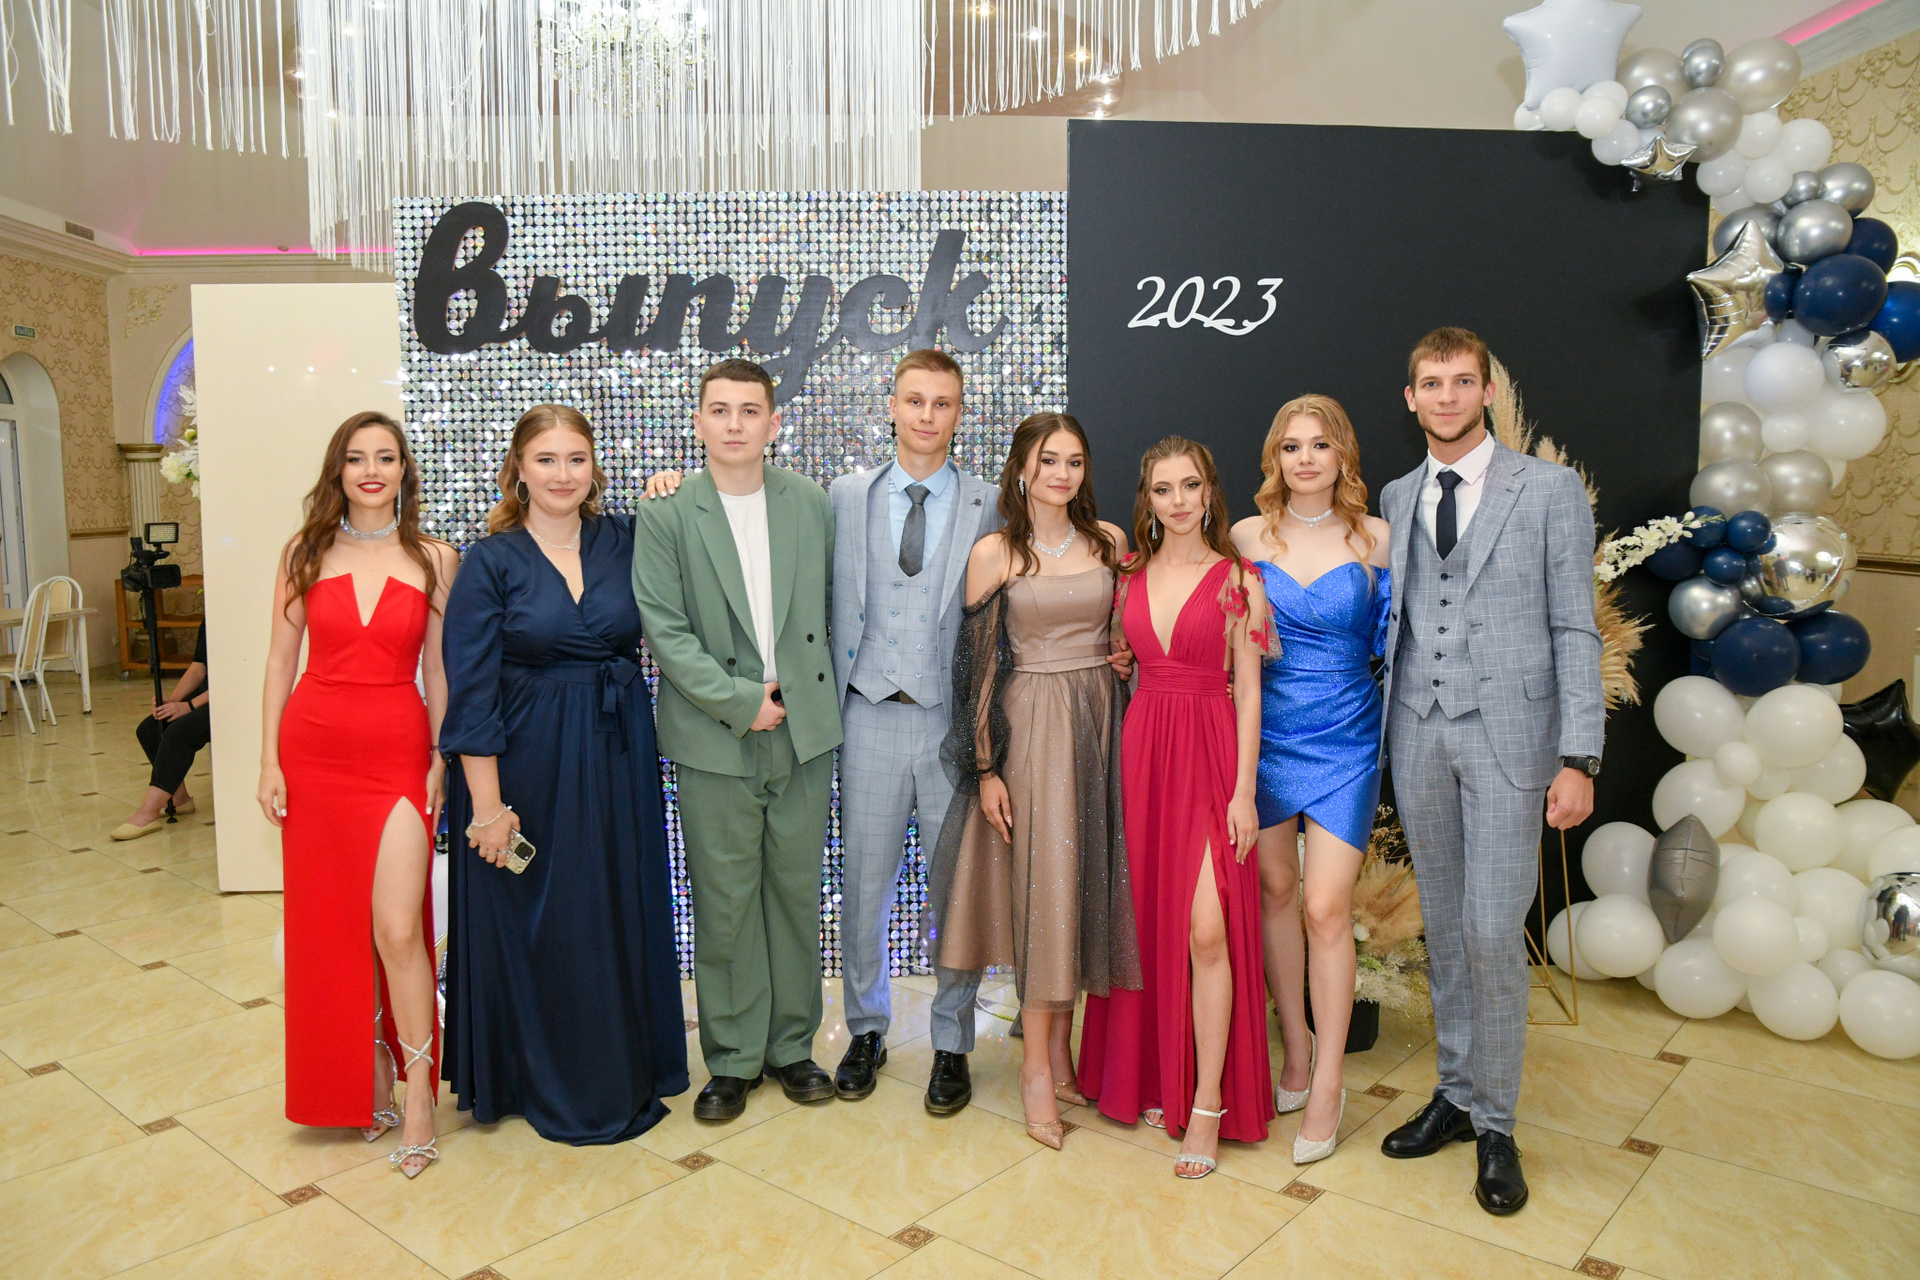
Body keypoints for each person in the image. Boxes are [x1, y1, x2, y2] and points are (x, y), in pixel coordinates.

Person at [642, 349, 1009, 1116]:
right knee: (854, 890)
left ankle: (946, 1042)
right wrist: (668, 484)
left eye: (942, 402)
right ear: (891, 405)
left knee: (948, 891)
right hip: (860, 714)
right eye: (914, 399)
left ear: (960, 413)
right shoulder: (841, 495)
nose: (927, 415)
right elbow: (675, 623)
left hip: (936, 723)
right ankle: (855, 1035)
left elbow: (1038, 569)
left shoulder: (979, 503)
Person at [1376, 327, 1601, 1215]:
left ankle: (1498, 1124)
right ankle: (1456, 1095)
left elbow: (1575, 626)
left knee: (1492, 930)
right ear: (1411, 398)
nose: (1446, 397)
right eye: (1431, 383)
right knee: (1444, 926)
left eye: (1461, 382)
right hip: (1418, 732)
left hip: (1511, 737)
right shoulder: (1396, 495)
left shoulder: (1547, 490)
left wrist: (1578, 756)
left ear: (1487, 392)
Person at [439, 404, 688, 1144]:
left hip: (617, 754)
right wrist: (487, 809)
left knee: (610, 906)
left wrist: (676, 493)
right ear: (519, 469)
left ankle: (619, 1067)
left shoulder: (628, 538)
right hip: (526, 763)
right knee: (542, 915)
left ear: (594, 468)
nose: (562, 474)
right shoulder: (490, 561)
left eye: (576, 459)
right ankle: (536, 1076)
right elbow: (470, 692)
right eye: (545, 460)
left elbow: (698, 569)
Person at [631, 358, 841, 1122]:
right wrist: (741, 703)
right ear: (698, 422)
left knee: (795, 895)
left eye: (750, 411)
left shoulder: (809, 502)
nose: (734, 424)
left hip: (803, 730)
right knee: (724, 904)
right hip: (715, 733)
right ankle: (732, 1058)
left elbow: (830, 604)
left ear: (773, 423)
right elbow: (665, 629)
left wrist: (793, 702)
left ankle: (791, 1047)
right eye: (719, 410)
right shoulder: (666, 511)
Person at [929, 411, 1138, 1151]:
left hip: (1101, 723)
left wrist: (1125, 658)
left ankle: (1063, 1055)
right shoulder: (995, 553)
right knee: (1047, 890)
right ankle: (1036, 1073)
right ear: (1022, 467)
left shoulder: (1109, 541)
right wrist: (985, 768)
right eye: (1048, 460)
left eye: (1074, 461)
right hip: (1033, 731)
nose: (1062, 474)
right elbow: (977, 670)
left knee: (1084, 886)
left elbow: (1130, 633)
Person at [258, 411, 459, 1178]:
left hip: (398, 754)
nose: (371, 470)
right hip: (313, 752)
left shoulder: (436, 558)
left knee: (399, 929)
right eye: (356, 458)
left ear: (405, 469)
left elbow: (439, 670)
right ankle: (362, 1077)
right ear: (337, 471)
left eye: (385, 457)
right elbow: (280, 662)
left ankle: (419, 1093)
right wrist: (268, 761)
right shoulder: (304, 552)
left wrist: (441, 755)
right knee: (333, 928)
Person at [1078, 436, 1275, 1179]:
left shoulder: (1239, 579)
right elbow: (1120, 654)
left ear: (1210, 491)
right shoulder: (1127, 575)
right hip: (1144, 753)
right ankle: (1157, 1080)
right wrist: (1124, 656)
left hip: (1212, 752)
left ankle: (1209, 1102)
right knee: (1149, 927)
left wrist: (1244, 792)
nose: (1179, 501)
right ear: (1148, 501)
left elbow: (1249, 691)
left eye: (1190, 485)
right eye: (1163, 489)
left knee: (1208, 932)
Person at [1230, 395, 1392, 1165]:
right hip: (1265, 737)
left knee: (1327, 907)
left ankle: (1328, 1080)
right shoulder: (1245, 536)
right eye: (1291, 445)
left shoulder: (1379, 539)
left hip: (1349, 738)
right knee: (1275, 892)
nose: (1305, 458)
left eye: (1319, 444)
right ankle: (1293, 1046)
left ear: (1342, 455)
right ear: (1275, 457)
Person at [112, 620, 211, 841]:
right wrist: (173, 701)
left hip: (234, 696)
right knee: (150, 729)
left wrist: (189, 706)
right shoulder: (210, 618)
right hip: (208, 693)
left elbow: (234, 678)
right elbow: (198, 667)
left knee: (178, 733)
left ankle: (148, 812)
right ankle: (179, 798)